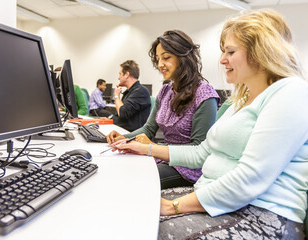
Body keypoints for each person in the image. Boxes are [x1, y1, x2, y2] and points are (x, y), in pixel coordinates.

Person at [112, 9, 308, 239]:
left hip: (263, 214)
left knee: (142, 228)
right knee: (126, 208)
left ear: (260, 52)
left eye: (230, 51)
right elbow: (202, 153)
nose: (222, 59)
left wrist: (172, 207)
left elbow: (250, 178)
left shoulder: (291, 91)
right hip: (216, 197)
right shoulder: (241, 100)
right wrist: (145, 148)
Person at [107, 30, 219, 189]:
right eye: (158, 59)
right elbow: (149, 129)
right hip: (163, 157)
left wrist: (151, 148)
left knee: (130, 177)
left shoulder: (205, 95)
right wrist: (123, 138)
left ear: (183, 58)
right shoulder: (166, 91)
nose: (160, 64)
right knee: (119, 165)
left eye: (166, 58)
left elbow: (198, 150)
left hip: (187, 169)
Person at [112, 60, 151, 132]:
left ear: (126, 75)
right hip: (122, 132)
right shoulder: (129, 92)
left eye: (120, 74)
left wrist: (116, 96)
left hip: (132, 136)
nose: (118, 78)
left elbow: (122, 113)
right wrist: (109, 120)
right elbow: (118, 114)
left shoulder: (141, 91)